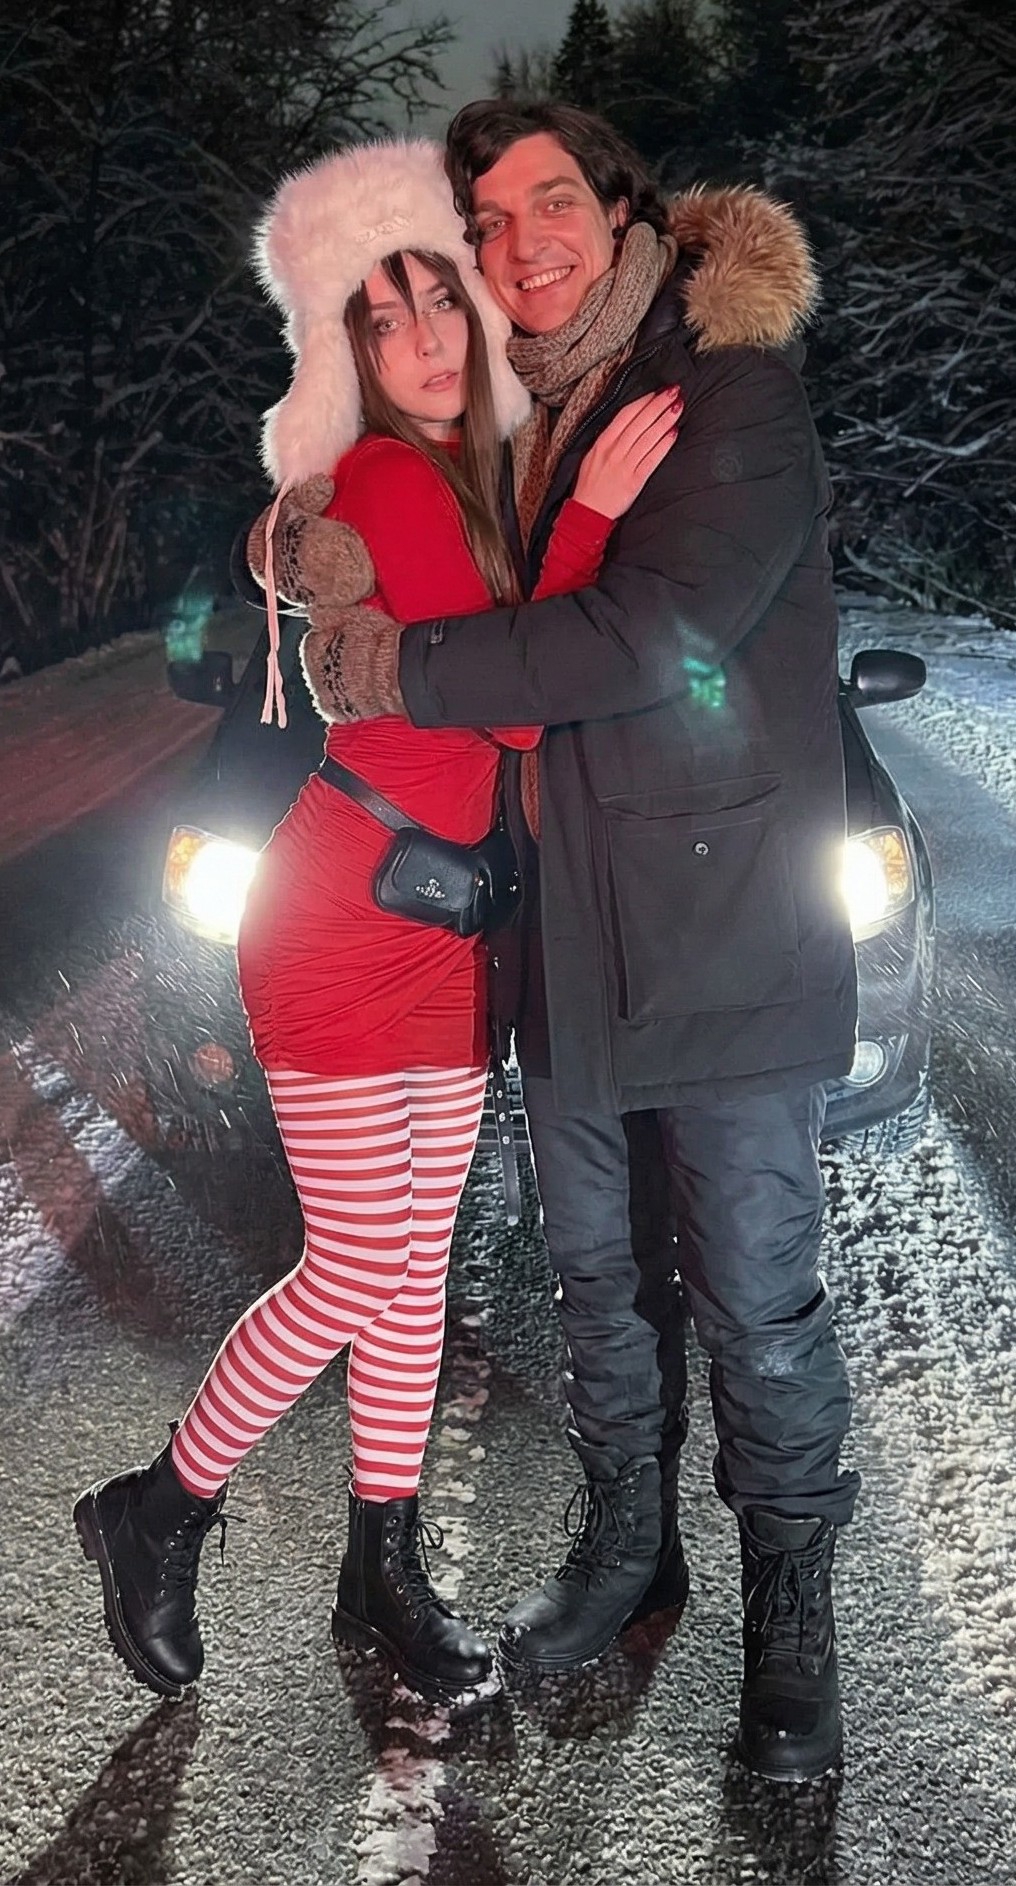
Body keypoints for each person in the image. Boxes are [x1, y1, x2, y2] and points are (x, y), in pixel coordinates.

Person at [256, 102, 862, 1782]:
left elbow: (647, 633)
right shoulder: (522, 423)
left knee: (753, 1291)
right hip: (572, 933)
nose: (520, 243)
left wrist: (400, 669)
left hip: (725, 930)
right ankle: (628, 1545)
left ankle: (792, 1613)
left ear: (622, 209)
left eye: (552, 202)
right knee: (599, 1275)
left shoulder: (728, 395)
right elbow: (370, 482)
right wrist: (292, 534)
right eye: (488, 221)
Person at [72, 137, 680, 1709]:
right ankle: (158, 1509)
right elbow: (519, 696)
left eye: (438, 301)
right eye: (382, 316)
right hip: (343, 919)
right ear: (346, 351)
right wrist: (596, 516)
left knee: (413, 1269)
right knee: (354, 1267)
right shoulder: (398, 482)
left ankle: (383, 1565)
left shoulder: (476, 484)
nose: (420, 336)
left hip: (446, 921)